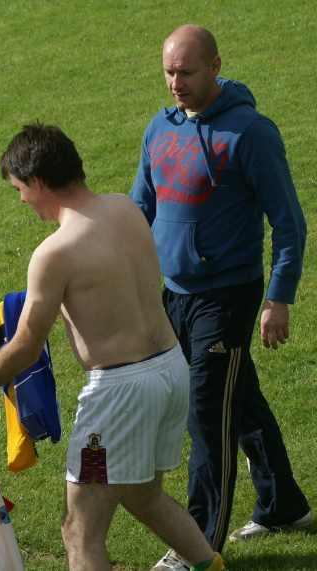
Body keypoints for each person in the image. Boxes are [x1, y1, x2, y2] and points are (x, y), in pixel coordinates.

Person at [0, 122, 227, 571]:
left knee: (79, 531)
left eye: (20, 188)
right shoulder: (125, 208)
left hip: (118, 399)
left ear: (38, 181)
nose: (21, 199)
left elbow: (25, 348)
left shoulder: (54, 253)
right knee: (144, 494)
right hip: (171, 372)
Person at [129, 24, 311, 570]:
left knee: (207, 415)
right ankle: (283, 505)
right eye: (168, 72)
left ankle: (196, 547)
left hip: (227, 295)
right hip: (174, 294)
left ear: (214, 66)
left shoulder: (250, 133)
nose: (175, 83)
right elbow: (140, 208)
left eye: (186, 72)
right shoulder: (159, 127)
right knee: (239, 396)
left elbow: (289, 222)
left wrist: (278, 297)